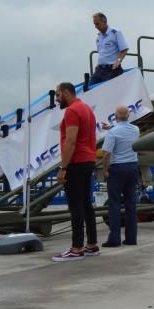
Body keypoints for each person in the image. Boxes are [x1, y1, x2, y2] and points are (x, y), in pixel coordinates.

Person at [53, 82, 100, 262]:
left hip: (76, 162)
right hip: (88, 159)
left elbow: (70, 141)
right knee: (86, 204)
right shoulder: (87, 108)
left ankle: (77, 248)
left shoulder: (72, 111)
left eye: (58, 95)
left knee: (76, 206)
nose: (57, 99)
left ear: (66, 92)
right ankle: (92, 244)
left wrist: (63, 168)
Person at [101, 105, 140, 247]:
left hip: (117, 169)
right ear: (128, 116)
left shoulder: (112, 133)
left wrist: (105, 170)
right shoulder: (136, 130)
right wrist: (110, 128)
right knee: (131, 205)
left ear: (115, 117)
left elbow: (106, 154)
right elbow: (123, 131)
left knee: (115, 205)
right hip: (132, 167)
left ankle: (114, 239)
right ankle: (131, 238)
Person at [89, 12, 129, 86]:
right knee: (89, 89)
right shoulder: (99, 36)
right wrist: (98, 64)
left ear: (104, 21)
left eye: (97, 24)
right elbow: (102, 53)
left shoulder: (115, 32)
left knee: (106, 90)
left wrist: (118, 61)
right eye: (94, 24)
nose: (96, 26)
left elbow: (124, 49)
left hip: (111, 69)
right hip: (99, 69)